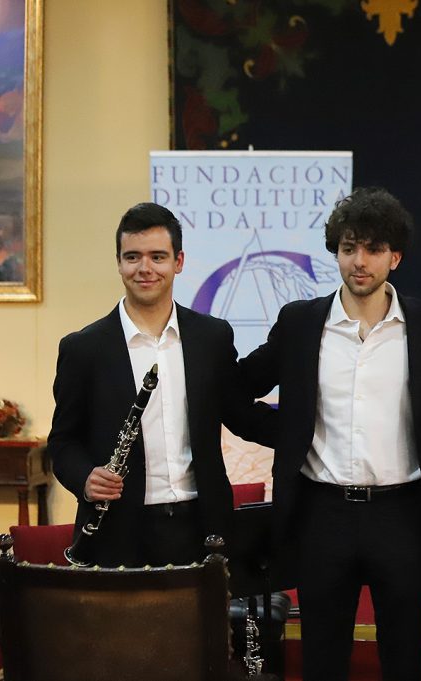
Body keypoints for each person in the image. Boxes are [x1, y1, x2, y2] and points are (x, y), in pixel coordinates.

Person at [238, 187, 421, 681]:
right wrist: (287, 435)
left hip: (404, 513)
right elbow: (238, 387)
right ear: (335, 251)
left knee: (405, 656)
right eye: (349, 247)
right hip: (322, 514)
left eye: (374, 249)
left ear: (395, 258)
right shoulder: (300, 323)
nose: (360, 261)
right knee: (322, 657)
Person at [48, 202, 276, 568]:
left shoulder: (211, 337)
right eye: (132, 257)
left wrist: (308, 432)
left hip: (203, 526)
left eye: (157, 257)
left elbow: (239, 414)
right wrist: (85, 479)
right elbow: (63, 442)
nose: (145, 268)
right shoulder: (83, 348)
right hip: (119, 530)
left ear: (178, 261)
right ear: (119, 263)